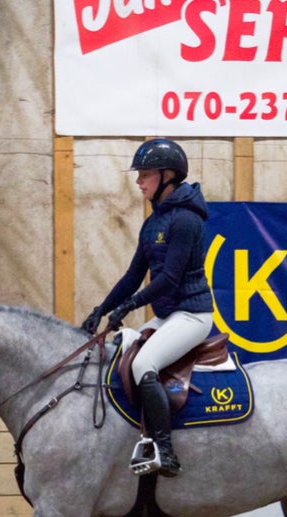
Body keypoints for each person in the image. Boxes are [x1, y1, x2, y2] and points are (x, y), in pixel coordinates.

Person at [80, 138, 214, 477]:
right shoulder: (153, 222)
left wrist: (130, 306)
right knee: (119, 355)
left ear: (167, 176)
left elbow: (169, 278)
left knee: (143, 364)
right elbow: (133, 276)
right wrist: (101, 309)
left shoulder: (186, 221)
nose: (139, 182)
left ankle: (165, 451)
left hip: (193, 316)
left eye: (145, 175)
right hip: (169, 316)